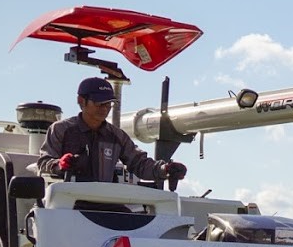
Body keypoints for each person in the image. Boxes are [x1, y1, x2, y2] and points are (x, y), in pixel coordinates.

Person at [38, 76, 187, 186]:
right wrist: (59, 165)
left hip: (105, 202)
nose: (104, 108)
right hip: (66, 203)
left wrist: (165, 169)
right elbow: (43, 162)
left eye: (108, 104)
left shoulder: (117, 136)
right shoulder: (61, 129)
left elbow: (139, 163)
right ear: (81, 101)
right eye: (98, 103)